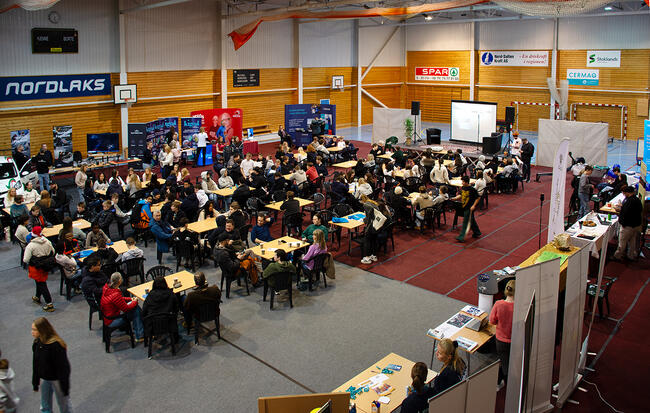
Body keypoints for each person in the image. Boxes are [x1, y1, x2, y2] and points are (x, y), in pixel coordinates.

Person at [31, 317, 71, 413]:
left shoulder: (56, 345)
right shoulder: (37, 343)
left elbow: (64, 368)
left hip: (57, 380)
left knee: (64, 405)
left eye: (34, 330)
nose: (32, 332)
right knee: (45, 406)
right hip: (46, 378)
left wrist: (64, 387)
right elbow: (36, 363)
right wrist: (35, 382)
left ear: (42, 330)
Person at [101, 273, 144, 342]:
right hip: (113, 320)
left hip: (107, 316)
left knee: (135, 308)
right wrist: (135, 301)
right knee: (136, 310)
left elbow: (120, 299)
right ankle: (140, 335)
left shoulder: (106, 288)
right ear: (120, 281)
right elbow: (126, 308)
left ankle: (138, 328)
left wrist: (130, 299)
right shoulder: (115, 294)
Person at [23, 226, 56, 312]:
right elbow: (53, 251)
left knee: (42, 284)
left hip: (36, 268)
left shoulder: (31, 245)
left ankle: (49, 304)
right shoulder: (47, 241)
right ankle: (37, 297)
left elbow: (25, 259)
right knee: (39, 282)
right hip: (46, 266)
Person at [490, 279, 515, 390]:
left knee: (503, 362)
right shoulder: (520, 306)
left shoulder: (498, 304)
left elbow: (492, 321)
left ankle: (502, 382)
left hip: (501, 340)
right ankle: (512, 384)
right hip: (514, 339)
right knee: (512, 362)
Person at [613, 185, 643, 261]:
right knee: (632, 241)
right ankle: (631, 255)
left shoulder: (629, 201)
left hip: (627, 225)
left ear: (627, 193)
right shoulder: (637, 200)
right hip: (636, 225)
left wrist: (619, 210)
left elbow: (626, 213)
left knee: (622, 242)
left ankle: (618, 256)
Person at [452, 176, 481, 242]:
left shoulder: (472, 189)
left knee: (465, 222)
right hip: (464, 207)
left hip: (469, 207)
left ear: (466, 182)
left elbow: (478, 198)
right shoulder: (463, 188)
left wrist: (474, 205)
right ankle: (477, 232)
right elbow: (461, 195)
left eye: (463, 181)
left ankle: (461, 237)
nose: (462, 183)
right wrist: (454, 198)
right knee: (471, 220)